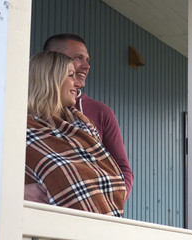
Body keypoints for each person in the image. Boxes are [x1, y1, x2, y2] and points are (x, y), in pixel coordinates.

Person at [25, 34, 134, 203]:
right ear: (51, 63)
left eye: (87, 59)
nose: (87, 66)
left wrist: (102, 204)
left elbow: (120, 171)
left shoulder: (95, 116)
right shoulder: (18, 118)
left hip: (89, 217)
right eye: (77, 58)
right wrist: (17, 192)